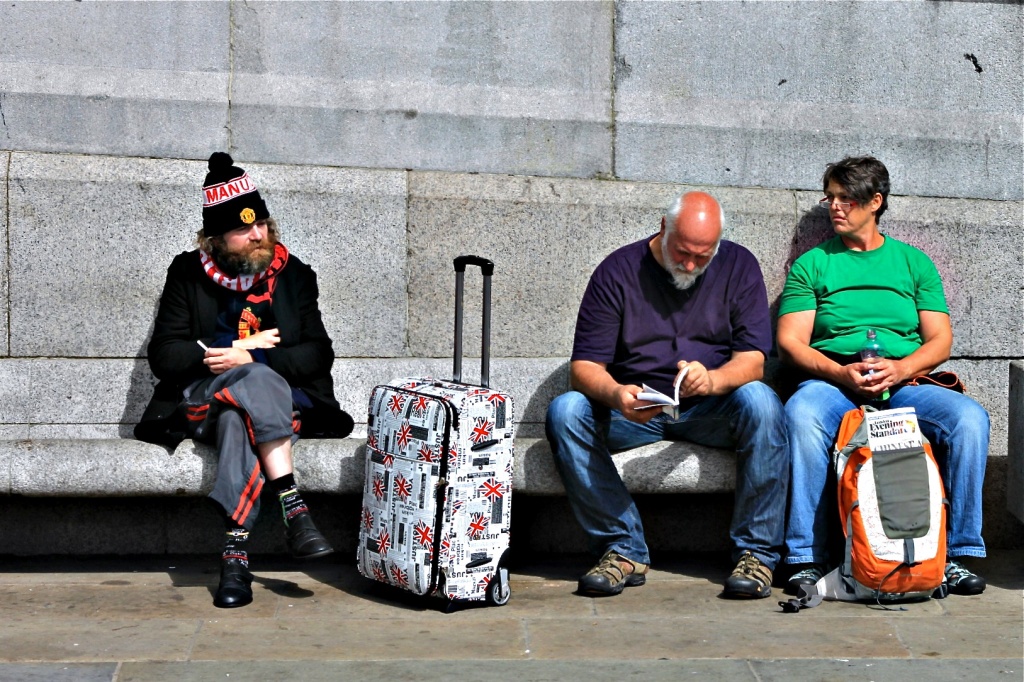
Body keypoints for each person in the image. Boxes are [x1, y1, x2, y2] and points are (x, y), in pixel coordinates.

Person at [136, 152, 354, 608]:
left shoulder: (294, 276)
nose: (258, 236)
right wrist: (226, 358)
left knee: (241, 415)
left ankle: (235, 556)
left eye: (262, 225)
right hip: (204, 399)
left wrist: (249, 354)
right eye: (243, 230)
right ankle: (292, 503)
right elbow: (165, 355)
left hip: (280, 404)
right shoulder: (186, 273)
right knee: (245, 382)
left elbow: (319, 354)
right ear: (215, 239)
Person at [545, 191, 789, 599]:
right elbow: (584, 368)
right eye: (683, 252)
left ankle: (757, 554)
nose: (691, 265)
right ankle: (622, 549)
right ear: (663, 227)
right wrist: (618, 393)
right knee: (566, 411)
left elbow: (753, 362)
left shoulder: (738, 264)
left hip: (709, 407)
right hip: (635, 410)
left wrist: (712, 380)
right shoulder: (618, 270)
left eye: (703, 255)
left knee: (762, 402)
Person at [778, 156, 988, 596]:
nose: (835, 207)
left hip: (906, 384)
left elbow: (939, 340)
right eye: (830, 197)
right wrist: (840, 372)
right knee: (801, 413)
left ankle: (957, 554)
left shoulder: (913, 264)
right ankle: (804, 558)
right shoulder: (812, 265)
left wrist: (902, 368)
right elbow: (791, 342)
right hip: (834, 384)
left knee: (969, 420)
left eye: (846, 199)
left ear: (875, 202)